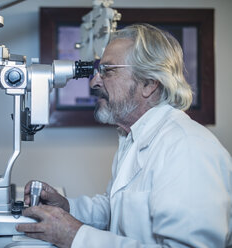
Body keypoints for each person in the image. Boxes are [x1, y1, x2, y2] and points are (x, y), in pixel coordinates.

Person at [16, 24, 232, 247]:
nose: (94, 81)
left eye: (108, 71)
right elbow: (116, 210)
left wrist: (76, 236)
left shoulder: (187, 148)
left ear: (148, 83)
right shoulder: (134, 137)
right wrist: (66, 208)